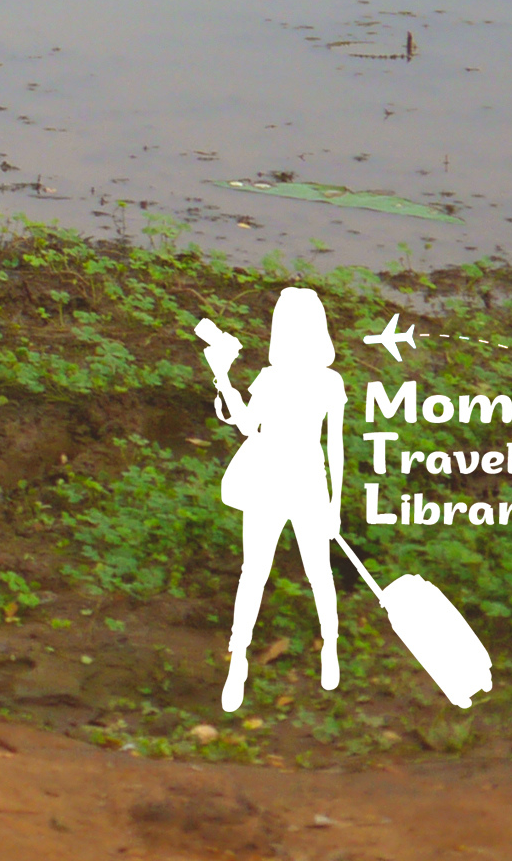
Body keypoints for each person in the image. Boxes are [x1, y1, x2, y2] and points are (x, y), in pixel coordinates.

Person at [199, 289, 344, 712]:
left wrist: (335, 506)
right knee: (253, 572)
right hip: (267, 479)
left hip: (309, 482)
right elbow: (246, 425)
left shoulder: (329, 381)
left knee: (319, 570)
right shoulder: (269, 378)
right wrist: (223, 378)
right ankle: (238, 659)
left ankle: (330, 643)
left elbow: (334, 446)